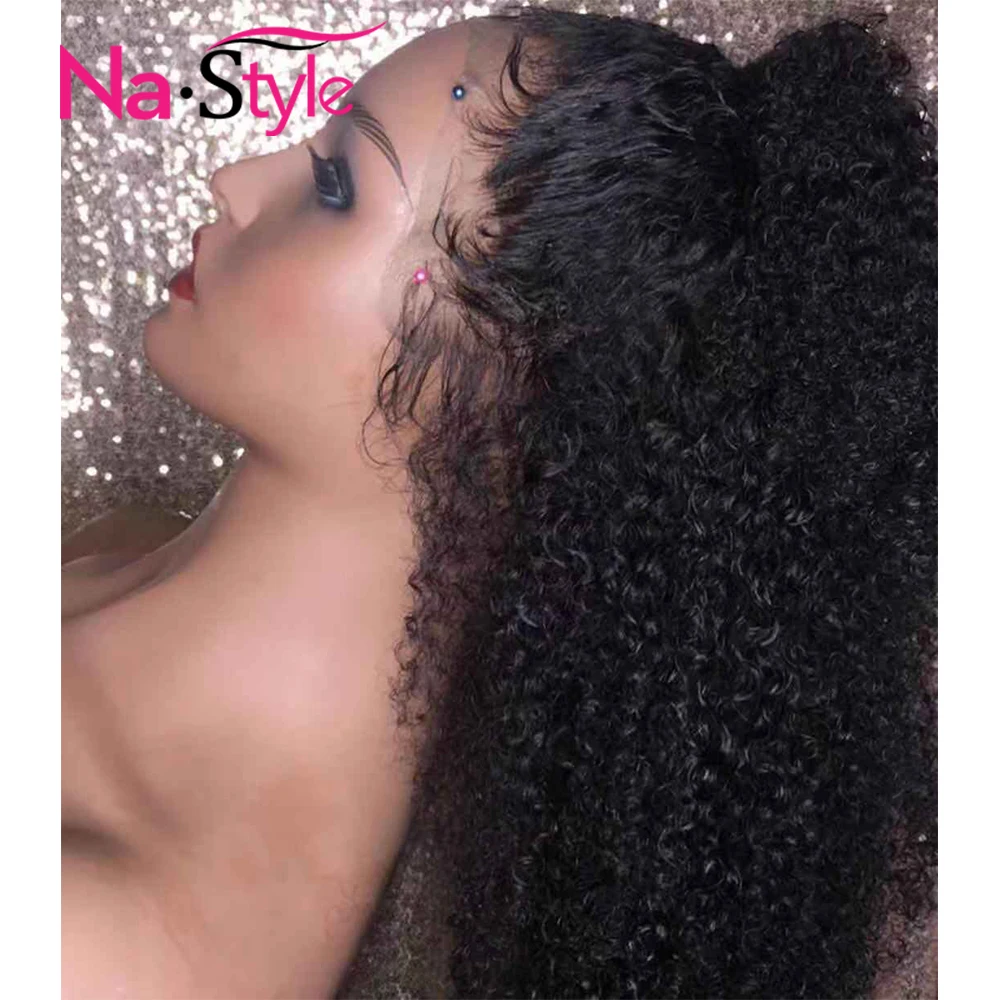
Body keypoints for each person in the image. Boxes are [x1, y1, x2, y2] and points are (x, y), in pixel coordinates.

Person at [61, 4, 937, 998]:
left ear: (521, 393)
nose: (236, 180)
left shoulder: (112, 942)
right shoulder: (123, 546)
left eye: (336, 185)